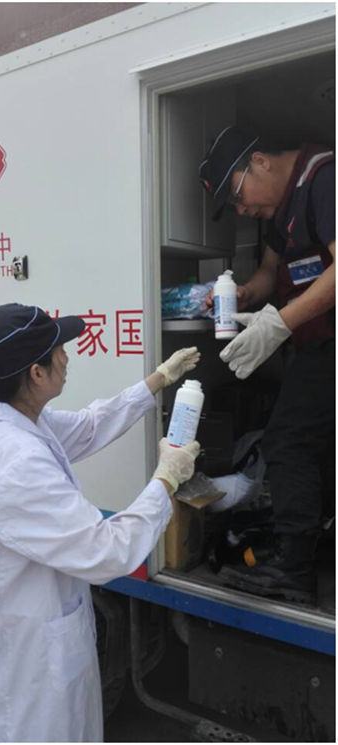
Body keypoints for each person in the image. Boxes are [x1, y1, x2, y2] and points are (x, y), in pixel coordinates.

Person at [0, 302, 201, 743]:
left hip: (44, 651)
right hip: (31, 678)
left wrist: (158, 380)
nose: (67, 357)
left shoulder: (21, 421)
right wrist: (167, 479)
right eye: (59, 350)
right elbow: (108, 550)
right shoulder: (19, 462)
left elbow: (89, 425)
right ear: (36, 373)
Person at [199, 125, 335, 604]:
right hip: (315, 345)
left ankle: (293, 570)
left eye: (238, 195)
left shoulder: (323, 179)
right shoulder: (285, 210)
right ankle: (308, 548)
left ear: (260, 161)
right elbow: (269, 272)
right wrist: (243, 295)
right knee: (312, 446)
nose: (242, 210)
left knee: (287, 440)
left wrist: (279, 323)